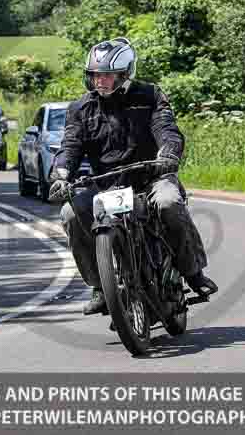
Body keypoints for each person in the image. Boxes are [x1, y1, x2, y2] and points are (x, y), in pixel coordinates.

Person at [48, 37, 218, 315]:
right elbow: (70, 146)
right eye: (94, 75)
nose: (99, 81)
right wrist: (61, 175)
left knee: (168, 203)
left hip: (152, 178)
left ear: (125, 74)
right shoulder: (80, 109)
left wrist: (168, 153)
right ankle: (100, 287)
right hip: (106, 185)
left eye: (106, 75)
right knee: (69, 213)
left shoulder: (149, 96)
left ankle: (193, 272)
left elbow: (167, 129)